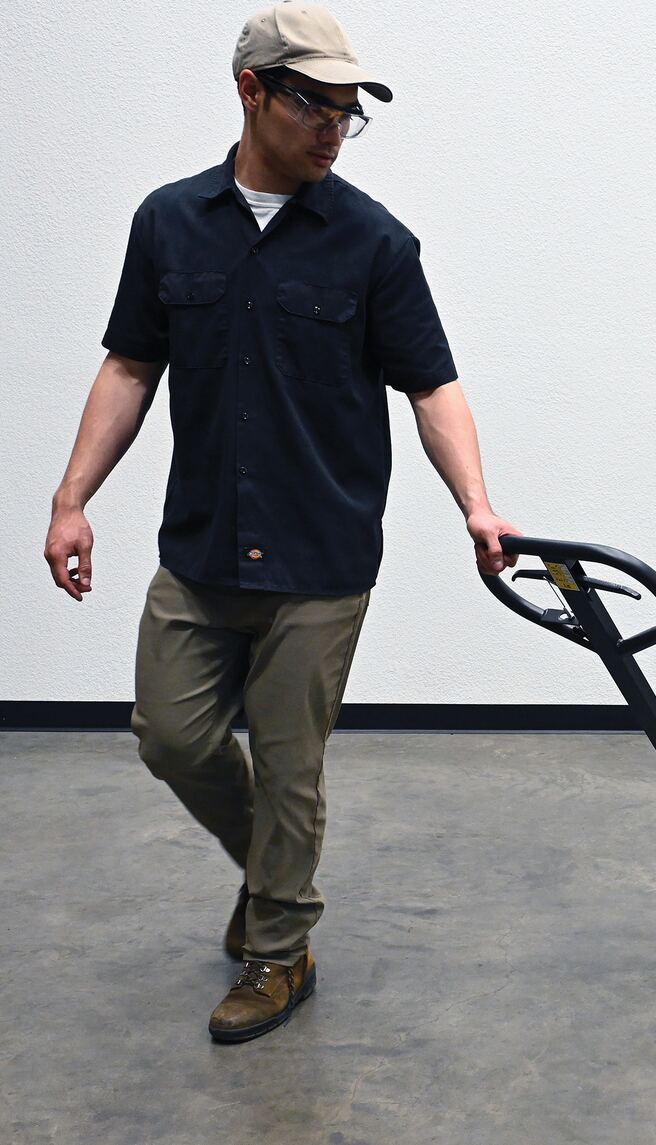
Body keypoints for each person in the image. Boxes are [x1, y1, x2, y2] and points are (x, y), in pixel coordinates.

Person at [42, 2, 521, 1043]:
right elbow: (130, 365)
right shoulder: (169, 222)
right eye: (315, 105)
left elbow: (432, 385)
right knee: (170, 736)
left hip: (321, 552)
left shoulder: (374, 241)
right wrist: (72, 498)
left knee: (291, 763)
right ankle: (273, 880)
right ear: (251, 91)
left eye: (350, 112)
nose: (334, 130)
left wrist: (476, 502)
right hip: (203, 543)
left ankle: (278, 949)